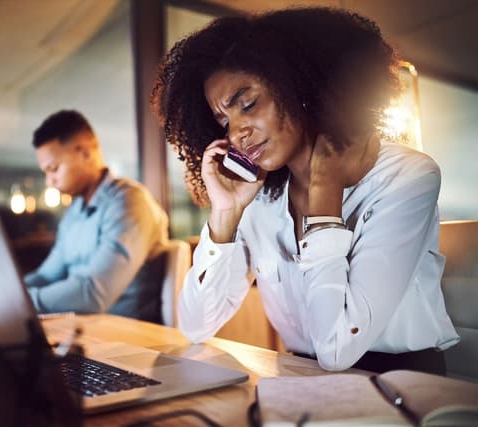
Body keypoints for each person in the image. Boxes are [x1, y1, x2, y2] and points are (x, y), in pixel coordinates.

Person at [152, 7, 459, 373]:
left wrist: (325, 195)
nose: (236, 133)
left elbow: (336, 350)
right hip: (300, 381)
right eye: (223, 121)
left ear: (300, 86)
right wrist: (225, 216)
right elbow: (195, 325)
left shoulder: (406, 177)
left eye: (248, 105)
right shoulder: (260, 199)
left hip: (404, 387)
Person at [24, 110, 169, 323]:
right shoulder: (74, 213)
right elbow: (47, 275)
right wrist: (4, 295)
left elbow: (94, 293)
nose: (49, 181)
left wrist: (22, 303)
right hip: (83, 329)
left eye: (53, 169)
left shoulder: (129, 202)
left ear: (84, 153)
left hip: (126, 337)